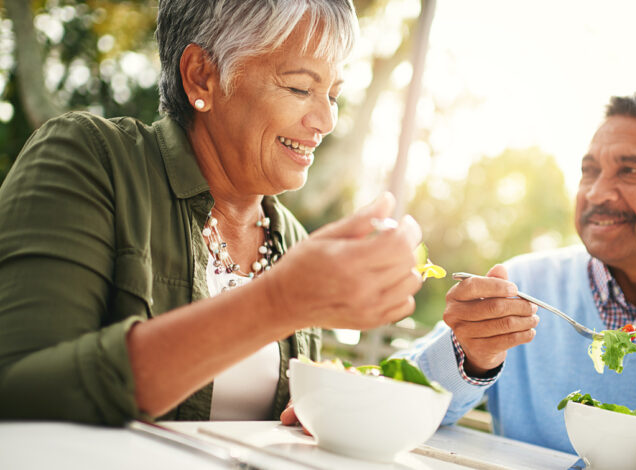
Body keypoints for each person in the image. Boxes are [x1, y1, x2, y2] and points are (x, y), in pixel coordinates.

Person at [0, 0, 423, 425]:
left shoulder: (294, 240)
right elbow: (19, 389)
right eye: (299, 88)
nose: (326, 120)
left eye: (333, 95)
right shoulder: (92, 160)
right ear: (201, 76)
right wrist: (277, 302)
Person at [400, 92, 636, 469]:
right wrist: (471, 358)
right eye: (590, 170)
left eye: (630, 171)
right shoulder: (522, 287)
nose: (596, 193)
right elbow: (398, 393)